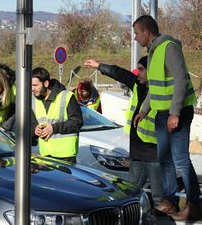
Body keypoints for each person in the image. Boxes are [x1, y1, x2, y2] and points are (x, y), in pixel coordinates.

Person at [132, 15, 201, 221]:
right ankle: (170, 202)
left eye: (136, 33)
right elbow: (155, 87)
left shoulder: (169, 47)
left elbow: (180, 80)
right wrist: (144, 110)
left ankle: (194, 205)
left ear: (146, 32)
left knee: (180, 160)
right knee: (165, 160)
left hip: (175, 113)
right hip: (162, 114)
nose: (135, 38)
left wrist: (175, 112)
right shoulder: (153, 51)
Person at [84, 56, 162, 207]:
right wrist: (99, 65)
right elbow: (119, 73)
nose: (137, 73)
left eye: (141, 69)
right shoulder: (138, 85)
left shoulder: (162, 90)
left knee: (159, 196)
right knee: (132, 192)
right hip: (137, 149)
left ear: (152, 71)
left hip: (154, 150)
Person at [31, 67, 83, 163]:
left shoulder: (66, 96)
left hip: (66, 156)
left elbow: (77, 123)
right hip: (45, 156)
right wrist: (34, 129)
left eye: (35, 85)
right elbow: (30, 123)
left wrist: (54, 128)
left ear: (46, 84)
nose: (32, 89)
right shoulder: (33, 100)